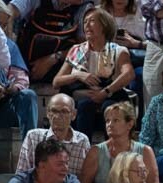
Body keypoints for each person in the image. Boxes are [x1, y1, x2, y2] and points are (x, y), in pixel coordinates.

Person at [52, 8, 135, 139]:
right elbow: (56, 81)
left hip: (109, 96)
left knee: (111, 108)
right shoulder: (76, 50)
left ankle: (113, 153)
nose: (87, 25)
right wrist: (78, 75)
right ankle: (82, 150)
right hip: (83, 99)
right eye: (85, 22)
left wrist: (105, 92)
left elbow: (129, 74)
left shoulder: (118, 51)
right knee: (85, 105)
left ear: (104, 25)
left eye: (91, 21)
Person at [80, 102, 159, 183]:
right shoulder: (95, 152)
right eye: (107, 121)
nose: (110, 124)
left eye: (115, 120)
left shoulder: (145, 151)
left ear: (130, 124)